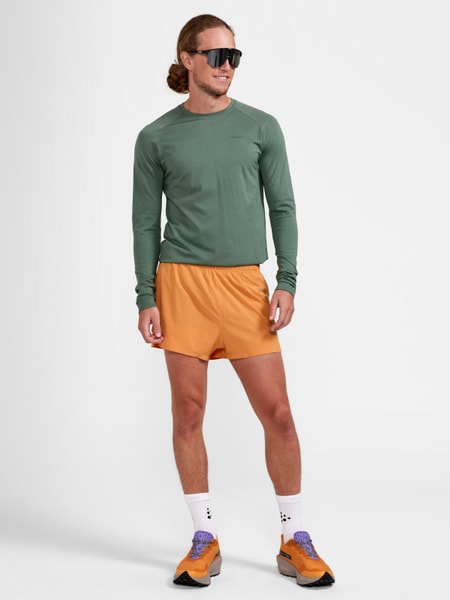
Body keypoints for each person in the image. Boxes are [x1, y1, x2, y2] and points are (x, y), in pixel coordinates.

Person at [132, 13, 334, 589]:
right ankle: (204, 537)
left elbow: (283, 207)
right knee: (188, 414)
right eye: (217, 56)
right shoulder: (156, 136)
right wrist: (146, 294)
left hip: (245, 286)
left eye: (234, 56)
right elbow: (145, 221)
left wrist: (287, 280)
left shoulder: (260, 127)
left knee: (279, 416)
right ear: (188, 59)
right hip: (181, 285)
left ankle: (294, 538)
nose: (227, 66)